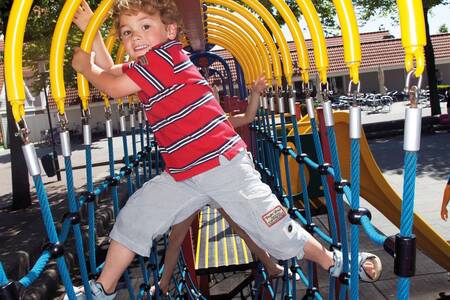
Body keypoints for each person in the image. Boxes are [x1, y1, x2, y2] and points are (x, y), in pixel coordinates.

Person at [69, 0, 382, 298]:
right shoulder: (146, 67)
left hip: (224, 165)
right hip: (184, 174)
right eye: (127, 32)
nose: (136, 37)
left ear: (170, 31)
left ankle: (332, 259)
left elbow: (110, 84)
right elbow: (112, 74)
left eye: (145, 26)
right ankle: (103, 288)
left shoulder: (163, 58)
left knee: (273, 226)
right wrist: (93, 33)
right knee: (133, 218)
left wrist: (85, 67)